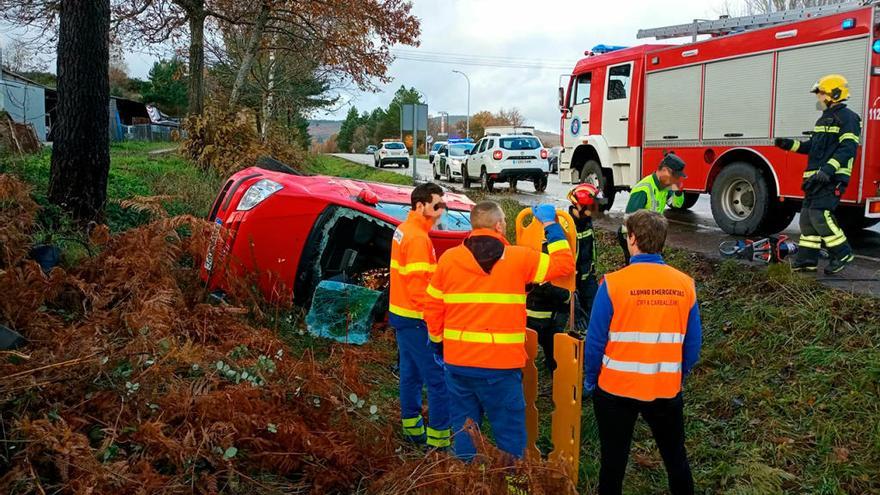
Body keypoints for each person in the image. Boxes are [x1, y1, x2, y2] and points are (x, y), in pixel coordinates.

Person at [423, 201, 575, 461]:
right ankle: (513, 486)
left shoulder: (449, 260)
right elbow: (564, 264)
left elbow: (432, 307)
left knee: (465, 432)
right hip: (500, 368)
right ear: (499, 225)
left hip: (458, 364)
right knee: (509, 436)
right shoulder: (518, 258)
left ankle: (469, 484)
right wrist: (551, 225)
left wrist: (439, 344)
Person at [584, 210, 702, 495]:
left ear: (632, 239)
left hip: (615, 390)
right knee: (675, 458)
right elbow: (693, 345)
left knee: (613, 462)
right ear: (662, 241)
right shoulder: (684, 284)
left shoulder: (613, 284)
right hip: (665, 388)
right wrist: (678, 374)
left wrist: (591, 380)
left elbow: (595, 342)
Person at [775, 74, 861, 274]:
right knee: (806, 218)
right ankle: (807, 260)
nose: (818, 98)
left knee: (820, 215)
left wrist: (828, 170)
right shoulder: (824, 118)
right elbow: (813, 147)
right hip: (815, 179)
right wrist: (789, 145)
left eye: (821, 94)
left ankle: (843, 253)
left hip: (831, 178)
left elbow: (848, 148)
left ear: (834, 94)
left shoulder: (848, 118)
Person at [388, 182, 450, 450]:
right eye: (437, 206)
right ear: (420, 205)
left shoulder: (406, 230)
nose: (440, 212)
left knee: (411, 375)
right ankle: (438, 442)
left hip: (402, 316)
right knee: (438, 380)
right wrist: (435, 320)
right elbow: (418, 290)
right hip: (416, 319)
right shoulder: (416, 239)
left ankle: (412, 430)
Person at [617, 153, 687, 264]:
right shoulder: (643, 189)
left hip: (649, 236)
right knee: (637, 270)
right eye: (675, 176)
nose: (676, 180)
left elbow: (676, 205)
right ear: (664, 170)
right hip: (633, 237)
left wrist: (678, 192)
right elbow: (628, 222)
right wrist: (634, 244)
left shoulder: (666, 187)